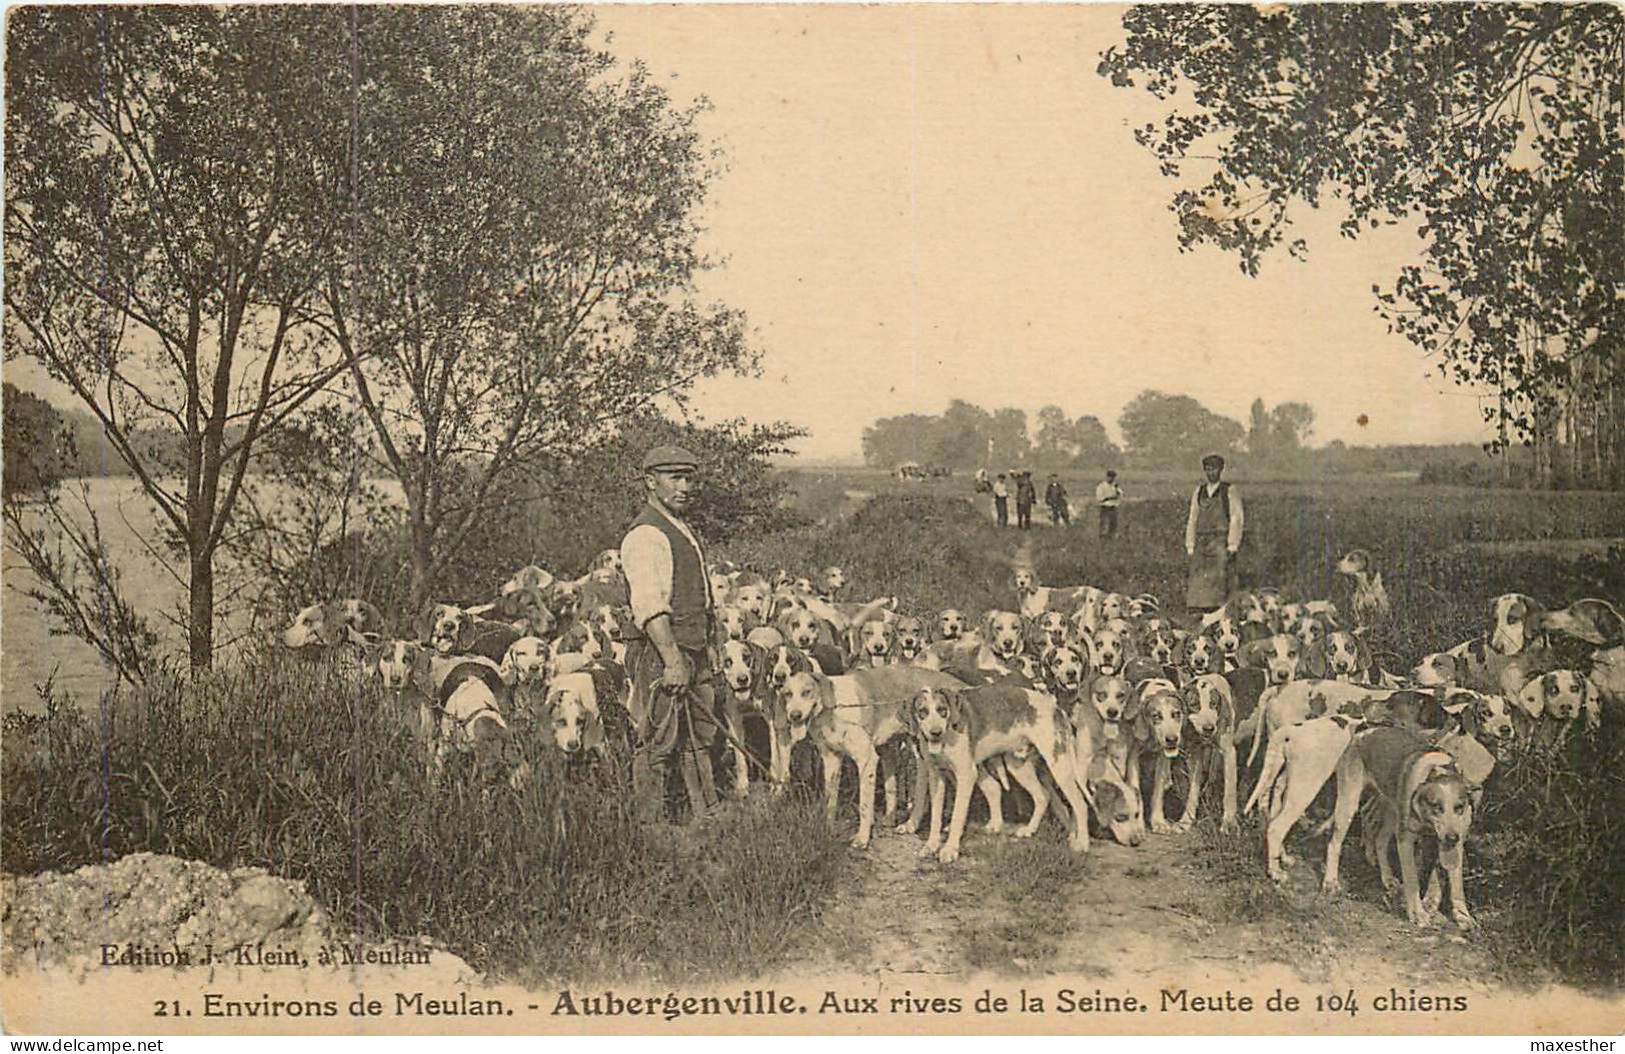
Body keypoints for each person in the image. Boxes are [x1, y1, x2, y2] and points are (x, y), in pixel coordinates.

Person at [620, 445, 720, 823]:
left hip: (692, 649)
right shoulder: (645, 535)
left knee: (700, 734)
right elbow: (649, 607)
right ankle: (652, 831)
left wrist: (706, 649)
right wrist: (673, 660)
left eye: (688, 478)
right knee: (658, 740)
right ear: (650, 481)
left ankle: (706, 816)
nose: (685, 486)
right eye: (675, 478)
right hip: (661, 655)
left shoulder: (679, 528)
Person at [1184, 453, 1245, 615]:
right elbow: (1193, 517)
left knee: (1219, 576)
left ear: (1221, 470)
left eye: (1215, 469)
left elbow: (1236, 517)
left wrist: (1232, 544)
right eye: (1208, 469)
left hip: (1220, 539)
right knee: (1198, 576)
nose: (1211, 473)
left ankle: (1219, 611)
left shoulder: (1229, 490)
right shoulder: (1199, 491)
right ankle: (1198, 612)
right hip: (1201, 539)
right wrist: (1190, 544)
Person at [1095, 469, 1123, 539]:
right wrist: (1109, 498)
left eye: (1113, 477)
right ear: (1107, 477)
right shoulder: (1101, 486)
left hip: (1113, 507)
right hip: (1105, 507)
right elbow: (1099, 498)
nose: (1112, 479)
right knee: (1104, 524)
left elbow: (1120, 496)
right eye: (1110, 477)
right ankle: (1102, 537)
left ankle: (1111, 537)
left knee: (1113, 524)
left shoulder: (1115, 486)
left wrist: (1117, 492)